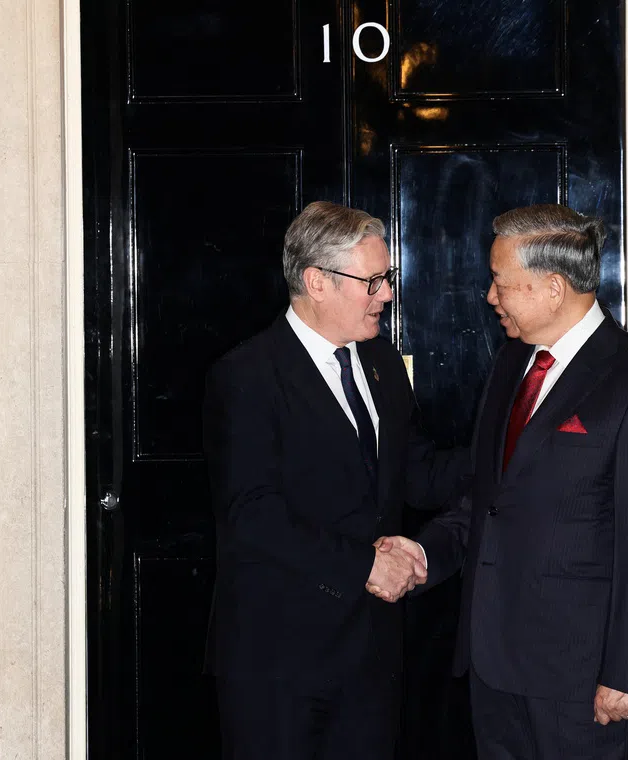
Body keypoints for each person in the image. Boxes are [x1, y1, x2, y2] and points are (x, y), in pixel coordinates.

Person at [374, 204, 628, 759]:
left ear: (552, 287)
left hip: (581, 679)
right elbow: (487, 502)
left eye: (500, 282)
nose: (490, 297)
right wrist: (424, 551)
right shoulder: (512, 364)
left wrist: (626, 670)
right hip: (494, 665)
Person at [202, 201, 466, 760]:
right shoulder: (247, 375)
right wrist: (366, 564)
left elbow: (417, 476)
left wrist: (508, 448)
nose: (387, 294)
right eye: (372, 281)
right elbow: (253, 514)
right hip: (278, 662)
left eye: (386, 279)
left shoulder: (382, 364)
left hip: (369, 655)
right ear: (316, 282)